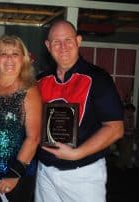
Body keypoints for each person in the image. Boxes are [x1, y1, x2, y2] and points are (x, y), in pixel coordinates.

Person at [35, 20, 124, 202]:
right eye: (56, 42)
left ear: (78, 40)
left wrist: (77, 153)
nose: (63, 47)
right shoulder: (40, 80)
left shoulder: (98, 78)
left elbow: (115, 128)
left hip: (83, 174)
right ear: (48, 46)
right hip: (45, 172)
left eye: (68, 40)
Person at [0, 35, 42, 202]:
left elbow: (34, 138)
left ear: (23, 59)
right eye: (4, 53)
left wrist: (14, 173)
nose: (9, 58)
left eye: (15, 53)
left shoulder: (29, 91)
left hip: (15, 175)